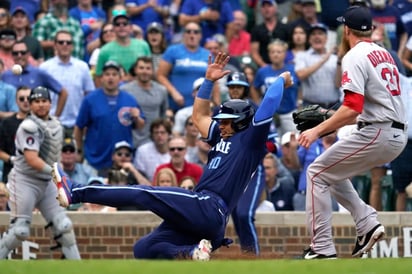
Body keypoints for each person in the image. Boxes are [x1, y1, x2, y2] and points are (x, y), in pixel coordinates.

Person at [51, 52, 292, 260]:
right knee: (144, 248)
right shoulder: (221, 135)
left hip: (210, 207)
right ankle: (192, 251)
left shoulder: (250, 140)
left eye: (227, 122)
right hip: (203, 219)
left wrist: (281, 78)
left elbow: (270, 100)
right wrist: (208, 81)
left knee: (144, 193)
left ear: (240, 122)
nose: (222, 125)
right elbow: (198, 117)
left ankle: (77, 192)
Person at [298, 6, 407, 259]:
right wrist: (329, 117)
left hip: (377, 131)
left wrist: (317, 131)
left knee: (315, 173)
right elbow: (363, 105)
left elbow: (353, 108)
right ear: (371, 29)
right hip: (394, 133)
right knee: (331, 173)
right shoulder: (385, 53)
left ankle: (322, 248)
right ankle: (366, 221)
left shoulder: (354, 55)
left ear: (346, 30)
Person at [0, 86, 81, 259]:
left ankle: (77, 268)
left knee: (64, 226)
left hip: (47, 181)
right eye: (36, 101)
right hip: (25, 181)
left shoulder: (56, 124)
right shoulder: (28, 127)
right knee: (20, 230)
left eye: (44, 101)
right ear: (30, 104)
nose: (41, 105)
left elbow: (55, 155)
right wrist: (57, 173)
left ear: (50, 103)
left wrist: (56, 174)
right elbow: (32, 159)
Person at [74, 61, 145, 176]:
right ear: (101, 78)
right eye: (107, 74)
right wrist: (79, 151)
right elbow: (79, 127)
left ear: (120, 78)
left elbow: (140, 126)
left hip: (122, 160)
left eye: (114, 74)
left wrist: (137, 117)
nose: (110, 78)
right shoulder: (90, 100)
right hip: (96, 160)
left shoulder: (130, 100)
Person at [39, 30, 95, 138]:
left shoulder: (82, 67)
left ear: (72, 46)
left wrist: (87, 121)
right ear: (55, 45)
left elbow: (89, 95)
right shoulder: (45, 68)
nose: (65, 45)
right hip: (51, 123)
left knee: (78, 154)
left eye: (68, 42)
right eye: (61, 42)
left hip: (77, 124)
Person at [121, 56, 169, 148]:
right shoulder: (124, 90)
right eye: (141, 68)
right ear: (135, 70)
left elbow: (163, 116)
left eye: (148, 68)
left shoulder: (162, 90)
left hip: (153, 141)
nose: (145, 71)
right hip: (131, 141)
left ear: (152, 71)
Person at [0, 86, 31, 182]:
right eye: (22, 99)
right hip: (12, 174)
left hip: (34, 175)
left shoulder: (40, 122)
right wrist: (12, 159)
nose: (25, 101)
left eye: (28, 98)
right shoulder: (7, 123)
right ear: (16, 101)